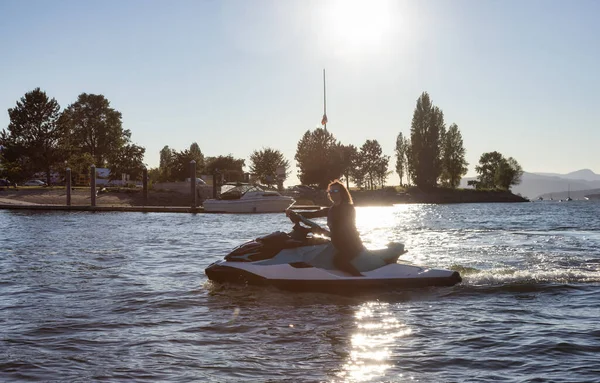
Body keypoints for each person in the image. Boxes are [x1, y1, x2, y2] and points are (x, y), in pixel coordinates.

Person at [286, 179, 364, 276]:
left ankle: (359, 278)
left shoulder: (348, 208)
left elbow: (343, 229)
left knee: (338, 261)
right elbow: (313, 214)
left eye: (335, 191)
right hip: (338, 244)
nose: (332, 194)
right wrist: (296, 214)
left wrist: (321, 231)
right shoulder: (331, 209)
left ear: (342, 193)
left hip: (351, 245)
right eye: (330, 191)